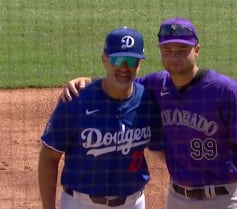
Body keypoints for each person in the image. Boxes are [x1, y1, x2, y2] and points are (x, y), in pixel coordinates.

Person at [59, 17, 237, 209]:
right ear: (160, 51)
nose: (174, 57)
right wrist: (86, 80)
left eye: (182, 50)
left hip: (223, 199)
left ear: (197, 50)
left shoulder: (223, 90)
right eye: (168, 50)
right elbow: (121, 82)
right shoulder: (157, 84)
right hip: (177, 198)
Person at [38, 27, 163, 209]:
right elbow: (49, 156)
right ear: (104, 59)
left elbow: (163, 149)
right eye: (117, 59)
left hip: (133, 203)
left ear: (139, 64)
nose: (124, 67)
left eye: (131, 60)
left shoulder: (147, 100)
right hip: (80, 203)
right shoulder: (76, 100)